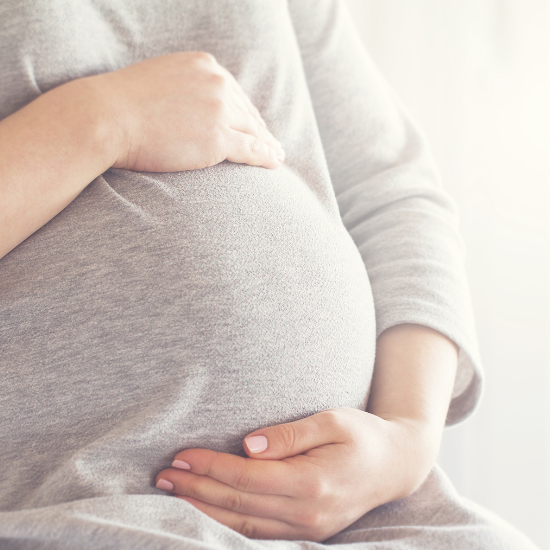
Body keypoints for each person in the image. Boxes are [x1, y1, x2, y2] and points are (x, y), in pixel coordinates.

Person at [0, 0, 539, 548]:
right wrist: (101, 117)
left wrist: (407, 441)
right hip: (75, 507)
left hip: (366, 513)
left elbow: (391, 192)